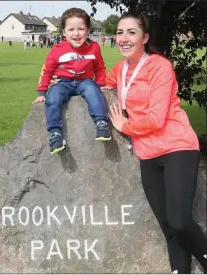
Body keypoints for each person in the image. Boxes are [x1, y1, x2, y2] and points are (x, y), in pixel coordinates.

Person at [105, 11, 207, 274]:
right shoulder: (120, 70)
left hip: (177, 147)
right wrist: (62, 80)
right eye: (119, 32)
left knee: (180, 221)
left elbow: (156, 117)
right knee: (169, 229)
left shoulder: (159, 66)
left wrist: (124, 126)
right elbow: (98, 83)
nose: (124, 38)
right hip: (147, 153)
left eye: (131, 32)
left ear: (144, 37)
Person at [32, 7, 111, 154]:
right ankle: (55, 133)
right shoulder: (57, 49)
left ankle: (101, 123)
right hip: (62, 83)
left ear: (88, 31)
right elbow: (47, 71)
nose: (76, 33)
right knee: (53, 97)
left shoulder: (94, 48)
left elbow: (100, 67)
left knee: (93, 91)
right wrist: (41, 92)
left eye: (81, 29)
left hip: (84, 81)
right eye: (71, 29)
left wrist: (101, 84)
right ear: (63, 32)